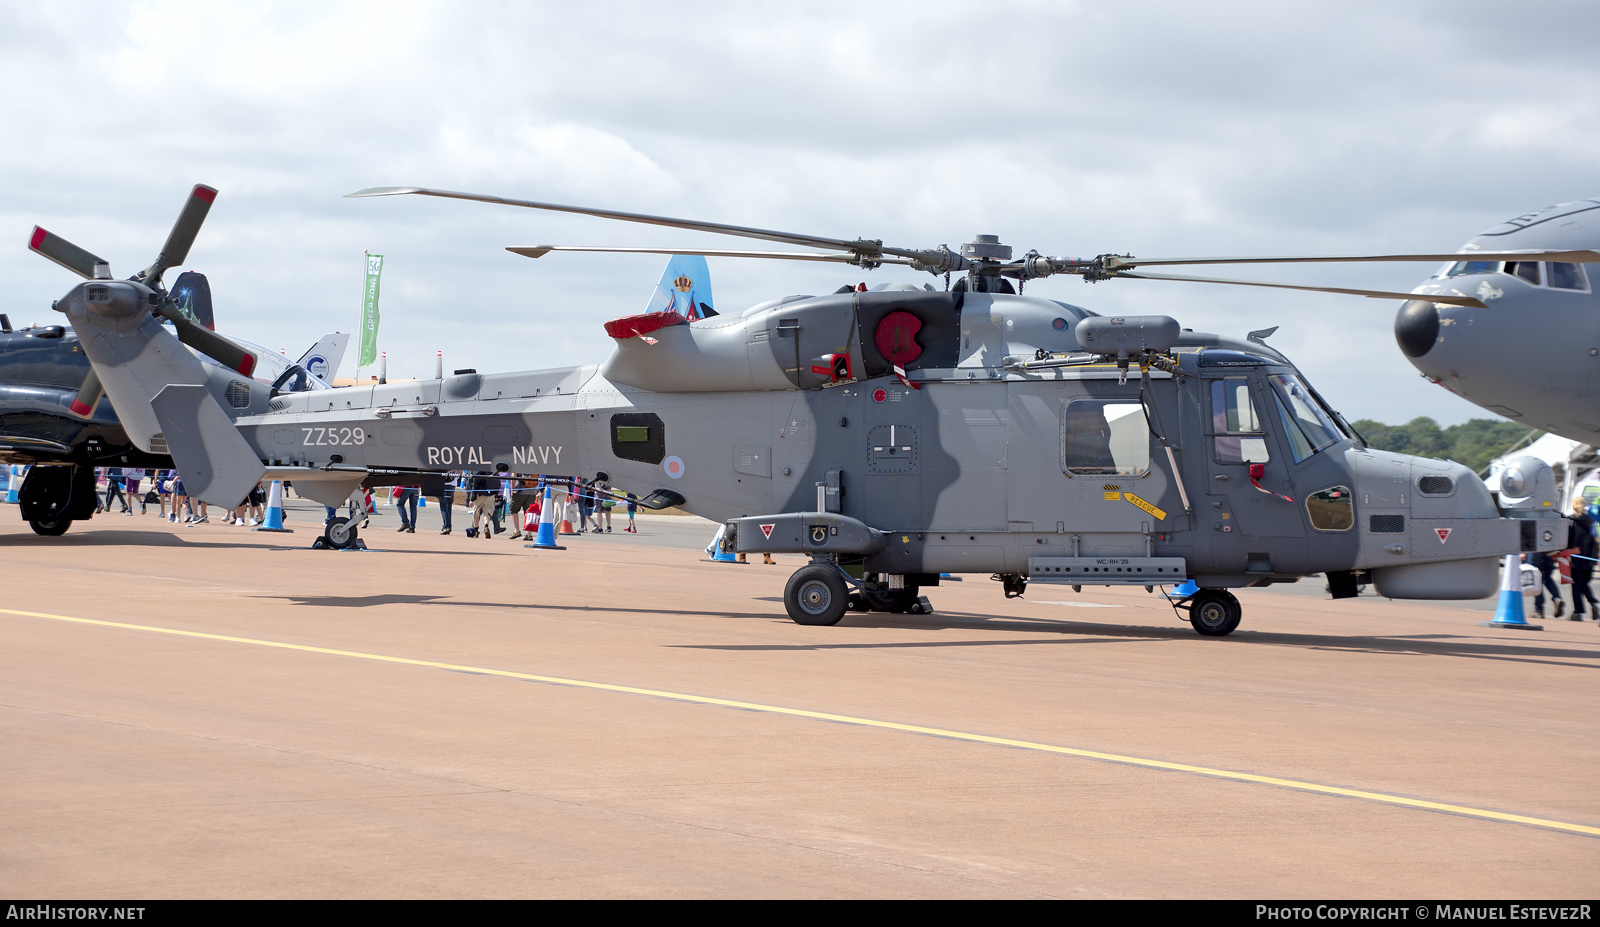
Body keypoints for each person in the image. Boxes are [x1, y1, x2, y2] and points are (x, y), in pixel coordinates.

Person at [1569, 497, 1598, 621]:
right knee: (1584, 584)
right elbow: (1596, 540)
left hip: (1574, 557)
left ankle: (1578, 612)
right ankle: (1593, 604)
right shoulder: (1592, 522)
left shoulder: (1570, 521)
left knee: (1576, 585)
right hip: (1589, 558)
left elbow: (1567, 540)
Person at [1527, 549, 1563, 619]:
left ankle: (1539, 609)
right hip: (1551, 552)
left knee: (1537, 580)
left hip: (1536, 552)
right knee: (1547, 578)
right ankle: (1556, 598)